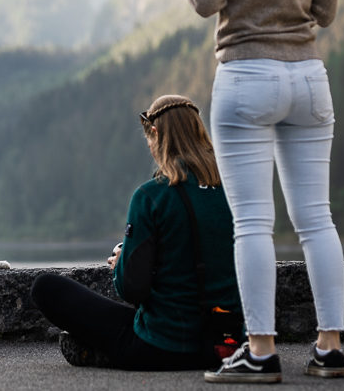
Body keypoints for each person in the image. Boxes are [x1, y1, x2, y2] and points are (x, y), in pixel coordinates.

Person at [190, 0, 344, 383]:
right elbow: (324, 12)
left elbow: (205, 0)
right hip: (307, 78)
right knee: (316, 220)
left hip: (247, 77)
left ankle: (261, 352)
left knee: (253, 223)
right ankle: (329, 347)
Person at [29, 94, 241, 371]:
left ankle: (105, 354)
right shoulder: (235, 190)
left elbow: (132, 289)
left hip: (162, 345)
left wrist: (121, 263)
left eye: (149, 139)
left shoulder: (150, 196)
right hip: (226, 346)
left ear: (154, 133)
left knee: (45, 287)